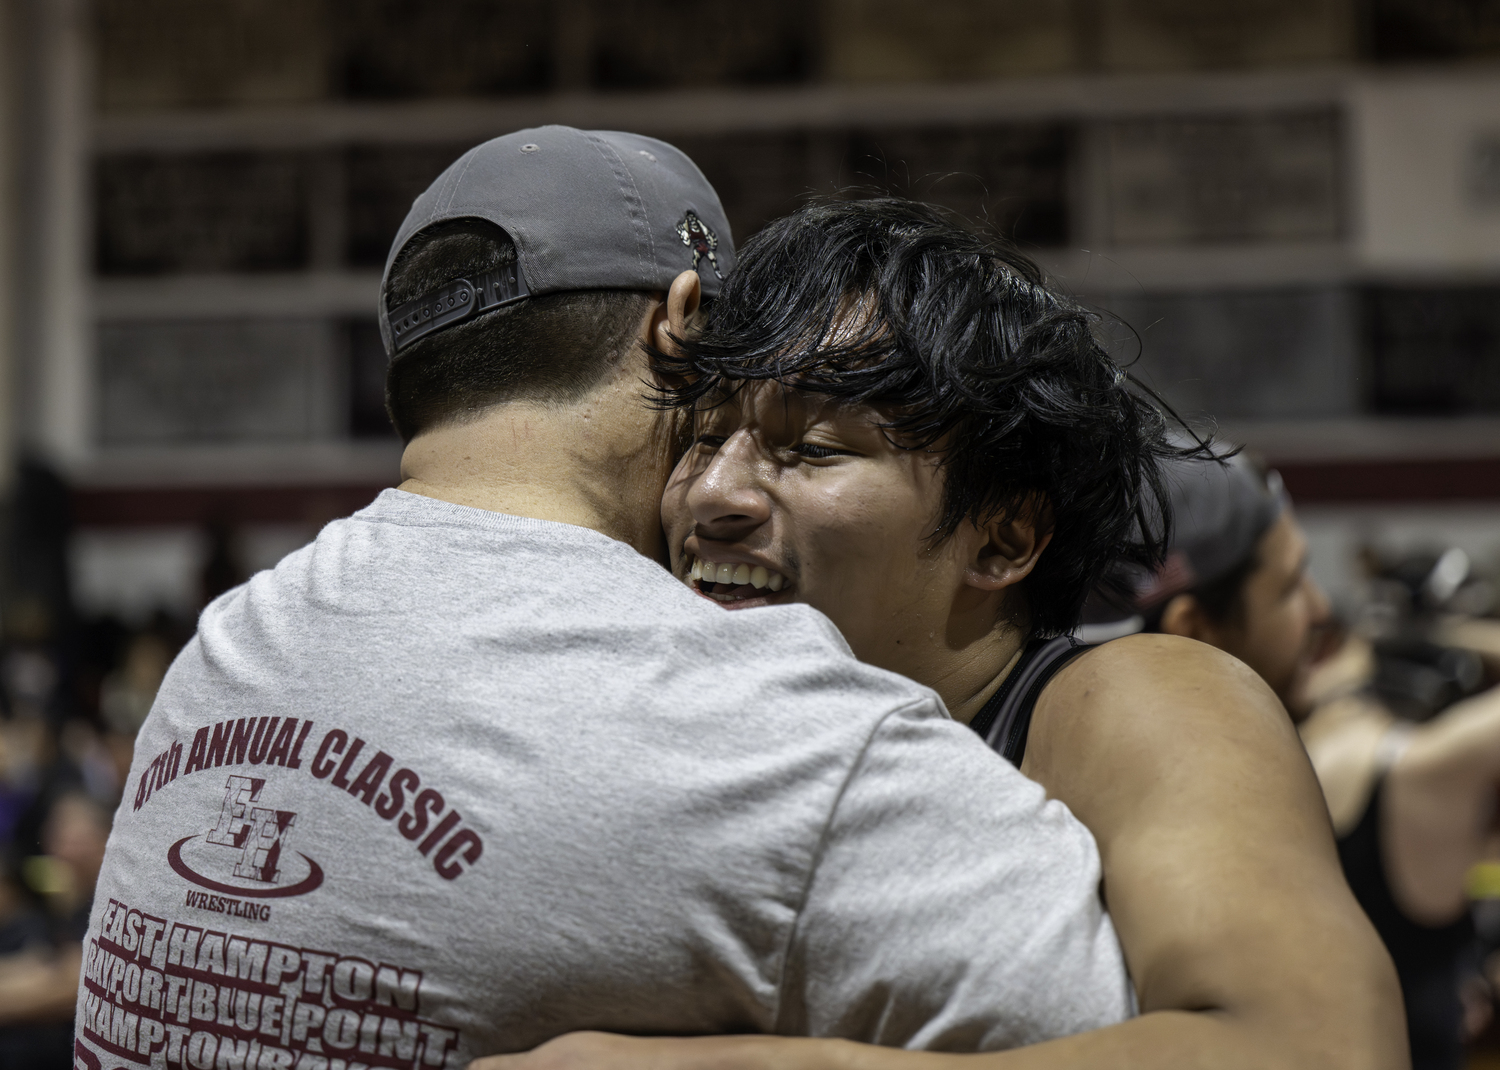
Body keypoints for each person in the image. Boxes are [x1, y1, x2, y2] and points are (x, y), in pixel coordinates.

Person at [75, 128, 1139, 1070]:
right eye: (724, 423)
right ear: (685, 325)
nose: (727, 489)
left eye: (804, 449)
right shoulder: (787, 742)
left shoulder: (219, 655)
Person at [476, 199, 1400, 1070]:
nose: (714, 496)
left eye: (812, 450)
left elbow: (1311, 1049)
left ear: (1002, 537)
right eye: (704, 439)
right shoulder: (665, 720)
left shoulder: (1135, 703)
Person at [1121, 449, 1500, 1070]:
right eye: (1292, 585)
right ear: (1194, 627)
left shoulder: (1091, 782)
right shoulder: (1400, 771)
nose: (1322, 610)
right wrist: (1432, 637)